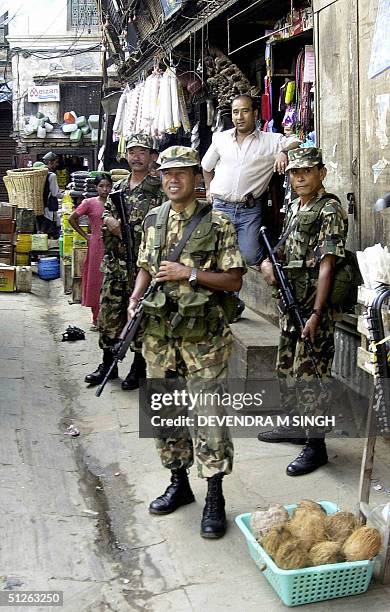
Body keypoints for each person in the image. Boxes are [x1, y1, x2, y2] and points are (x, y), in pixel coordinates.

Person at [128, 146, 246, 538]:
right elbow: (147, 266)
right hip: (160, 336)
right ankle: (179, 484)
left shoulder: (219, 222)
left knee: (210, 421)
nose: (173, 179)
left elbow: (233, 280)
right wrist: (134, 298)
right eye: (167, 173)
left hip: (203, 340)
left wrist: (189, 273)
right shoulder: (153, 220)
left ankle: (215, 496)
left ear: (198, 177)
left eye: (182, 172)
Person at [259, 147, 348, 476]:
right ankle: (295, 427)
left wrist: (315, 313)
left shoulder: (329, 210)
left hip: (312, 309)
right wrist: (270, 261)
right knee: (287, 369)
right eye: (294, 172)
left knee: (312, 376)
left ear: (321, 173)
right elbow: (286, 244)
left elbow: (327, 267)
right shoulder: (296, 205)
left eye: (306, 171)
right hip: (290, 304)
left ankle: (316, 446)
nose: (299, 177)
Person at [84, 134, 165, 390]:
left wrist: (132, 230)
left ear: (152, 156)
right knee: (108, 315)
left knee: (140, 317)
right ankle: (108, 364)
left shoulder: (159, 189)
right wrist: (110, 222)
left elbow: (162, 226)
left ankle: (138, 368)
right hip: (116, 264)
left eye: (142, 152)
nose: (136, 157)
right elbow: (106, 214)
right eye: (132, 152)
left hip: (142, 267)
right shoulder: (117, 188)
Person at [201, 95, 300, 267]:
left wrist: (283, 152)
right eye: (235, 112)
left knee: (249, 256)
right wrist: (209, 189)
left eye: (245, 111)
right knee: (216, 256)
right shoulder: (220, 138)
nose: (239, 117)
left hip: (249, 210)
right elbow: (206, 166)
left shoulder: (271, 141)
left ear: (255, 113)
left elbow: (298, 140)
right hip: (221, 206)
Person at [68, 174, 112, 329]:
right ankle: (96, 319)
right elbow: (72, 218)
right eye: (101, 186)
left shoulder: (116, 202)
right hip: (96, 246)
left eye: (108, 186)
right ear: (96, 187)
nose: (105, 189)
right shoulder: (89, 203)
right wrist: (86, 235)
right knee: (95, 279)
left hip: (114, 245)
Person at [34, 151, 62, 238]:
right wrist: (63, 194)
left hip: (38, 205)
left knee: (40, 229)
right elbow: (55, 193)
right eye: (56, 162)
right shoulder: (51, 175)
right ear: (50, 162)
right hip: (49, 206)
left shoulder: (37, 174)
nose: (57, 165)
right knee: (49, 229)